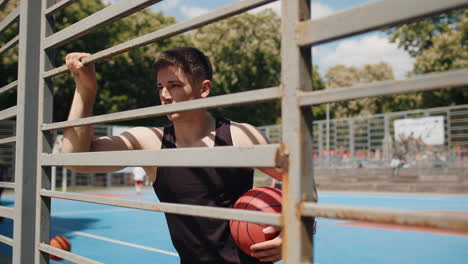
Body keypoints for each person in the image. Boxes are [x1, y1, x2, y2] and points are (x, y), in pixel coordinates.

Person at [62, 47, 283, 264]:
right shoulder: (151, 143)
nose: (165, 96)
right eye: (160, 87)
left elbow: (299, 174)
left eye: (174, 86)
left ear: (204, 89)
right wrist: (85, 89)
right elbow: (76, 159)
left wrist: (294, 231)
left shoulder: (239, 136)